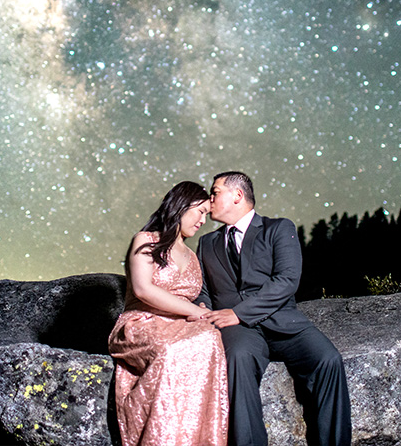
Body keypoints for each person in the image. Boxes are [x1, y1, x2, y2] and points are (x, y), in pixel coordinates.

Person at [197, 171, 351, 446]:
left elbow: (287, 281)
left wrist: (239, 312)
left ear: (237, 195)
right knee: (238, 360)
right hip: (238, 330)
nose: (209, 199)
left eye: (215, 191)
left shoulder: (279, 228)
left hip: (282, 322)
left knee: (329, 361)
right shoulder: (206, 243)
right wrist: (203, 310)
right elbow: (204, 289)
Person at [108, 181, 229, 446]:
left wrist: (201, 311)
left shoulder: (193, 257)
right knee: (171, 351)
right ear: (181, 205)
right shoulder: (147, 239)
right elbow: (143, 290)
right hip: (143, 321)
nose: (202, 221)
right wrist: (193, 311)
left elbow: (195, 302)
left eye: (207, 215)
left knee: (210, 339)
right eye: (199, 211)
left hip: (182, 323)